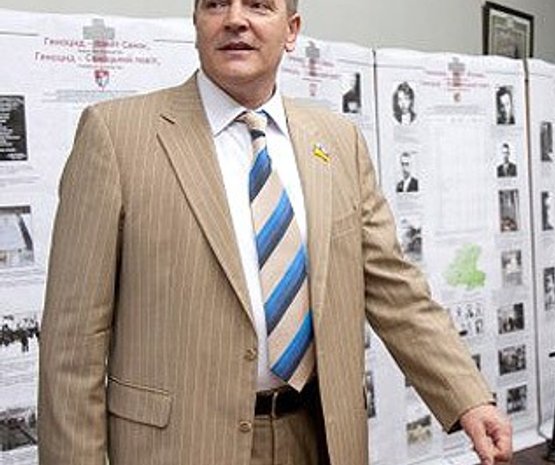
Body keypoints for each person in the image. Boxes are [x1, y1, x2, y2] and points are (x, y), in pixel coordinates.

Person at [37, 1, 512, 464]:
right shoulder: (116, 135)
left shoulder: (338, 141)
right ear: (196, 22)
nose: (235, 20)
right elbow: (72, 340)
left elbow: (395, 288)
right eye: (215, 4)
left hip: (316, 436)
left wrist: (467, 398)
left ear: (292, 30)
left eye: (259, 6)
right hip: (178, 444)